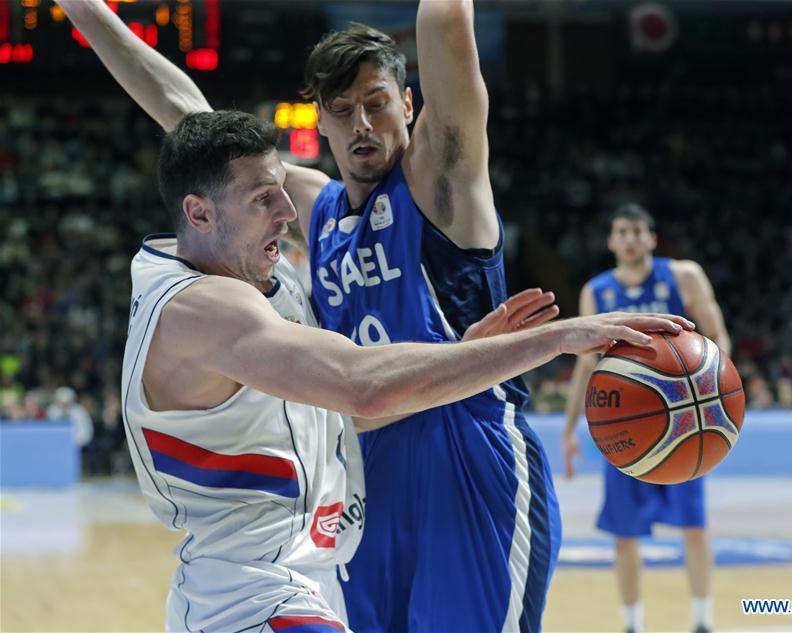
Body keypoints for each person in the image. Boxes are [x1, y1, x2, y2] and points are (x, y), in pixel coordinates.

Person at [57, 1, 569, 629]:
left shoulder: (442, 181)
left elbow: (445, 25)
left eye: (377, 103)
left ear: (408, 104)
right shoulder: (311, 207)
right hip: (365, 476)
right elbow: (176, 105)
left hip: (464, 455)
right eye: (343, 109)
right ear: (320, 121)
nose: (362, 123)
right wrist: (82, 8)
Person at [124, 109, 689, 631]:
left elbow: (343, 416)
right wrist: (557, 338)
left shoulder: (220, 279)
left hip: (268, 586)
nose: (287, 213)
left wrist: (461, 356)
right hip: (253, 600)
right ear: (198, 212)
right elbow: (363, 388)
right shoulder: (204, 308)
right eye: (262, 199)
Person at [562, 203, 731, 633]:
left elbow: (717, 335)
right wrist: (569, 430)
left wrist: (720, 403)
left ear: (652, 239)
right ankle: (632, 624)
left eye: (639, 230)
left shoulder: (682, 275)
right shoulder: (596, 292)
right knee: (625, 534)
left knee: (693, 526)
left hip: (683, 422)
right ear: (611, 241)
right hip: (627, 425)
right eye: (623, 231)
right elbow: (585, 366)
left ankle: (702, 621)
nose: (631, 238)